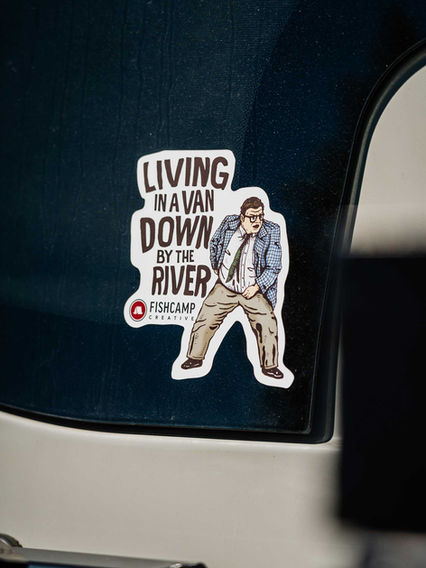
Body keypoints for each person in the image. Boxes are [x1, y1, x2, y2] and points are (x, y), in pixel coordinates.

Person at [181, 196, 284, 379]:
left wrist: (257, 286)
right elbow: (214, 242)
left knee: (267, 322)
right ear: (242, 217)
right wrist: (215, 265)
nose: (257, 221)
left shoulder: (272, 231)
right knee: (205, 318)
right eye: (252, 217)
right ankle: (194, 358)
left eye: (260, 216)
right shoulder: (229, 222)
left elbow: (274, 267)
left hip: (252, 289)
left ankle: (270, 366)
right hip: (225, 286)